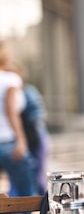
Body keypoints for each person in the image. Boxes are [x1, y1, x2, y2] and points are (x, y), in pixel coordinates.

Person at [0, 41, 37, 197]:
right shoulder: (10, 79)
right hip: (8, 141)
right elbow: (10, 111)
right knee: (26, 194)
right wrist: (21, 140)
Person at [9, 63, 50, 195]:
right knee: (18, 180)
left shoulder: (28, 92)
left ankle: (43, 210)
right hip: (19, 139)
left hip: (35, 137)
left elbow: (37, 116)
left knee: (38, 177)